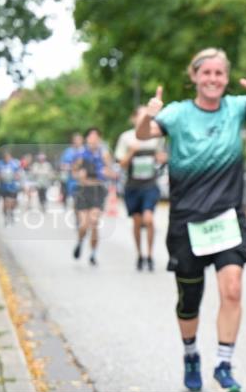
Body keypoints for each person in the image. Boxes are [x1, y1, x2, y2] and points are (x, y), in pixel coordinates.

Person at [135, 47, 246, 392]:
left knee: (232, 289)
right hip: (187, 221)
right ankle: (190, 355)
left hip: (227, 217)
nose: (213, 79)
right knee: (189, 300)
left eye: (219, 73)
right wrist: (148, 114)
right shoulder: (177, 113)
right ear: (194, 76)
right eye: (206, 73)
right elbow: (145, 134)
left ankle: (223, 364)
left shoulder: (235, 107)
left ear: (226, 78)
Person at [115, 107, 167, 271]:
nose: (146, 119)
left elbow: (162, 158)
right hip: (132, 186)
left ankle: (150, 255)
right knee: (137, 222)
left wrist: (161, 158)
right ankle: (140, 254)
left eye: (149, 116)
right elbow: (121, 164)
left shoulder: (156, 137)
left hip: (150, 185)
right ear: (134, 118)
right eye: (142, 116)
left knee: (149, 219)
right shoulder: (126, 137)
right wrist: (132, 151)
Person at [72, 128, 114, 265]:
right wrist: (79, 175)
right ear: (86, 139)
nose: (94, 139)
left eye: (96, 137)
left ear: (100, 139)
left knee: (94, 223)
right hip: (83, 190)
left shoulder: (104, 154)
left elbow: (112, 172)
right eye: (91, 137)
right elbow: (73, 172)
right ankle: (80, 242)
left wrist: (106, 172)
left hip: (98, 189)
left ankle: (93, 254)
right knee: (84, 225)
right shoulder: (81, 154)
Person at [0, 152, 22, 225]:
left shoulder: (15, 164)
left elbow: (18, 174)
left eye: (8, 157)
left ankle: (12, 212)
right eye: (5, 158)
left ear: (10, 158)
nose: (7, 159)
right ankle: (6, 217)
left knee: (13, 202)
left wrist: (16, 177)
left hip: (13, 186)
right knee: (5, 202)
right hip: (4, 187)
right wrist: (0, 177)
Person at [60, 133, 84, 209]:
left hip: (84, 180)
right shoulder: (68, 152)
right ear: (73, 141)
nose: (77, 142)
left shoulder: (86, 151)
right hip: (71, 180)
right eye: (75, 140)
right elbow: (62, 165)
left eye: (79, 140)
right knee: (75, 201)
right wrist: (71, 167)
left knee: (81, 201)